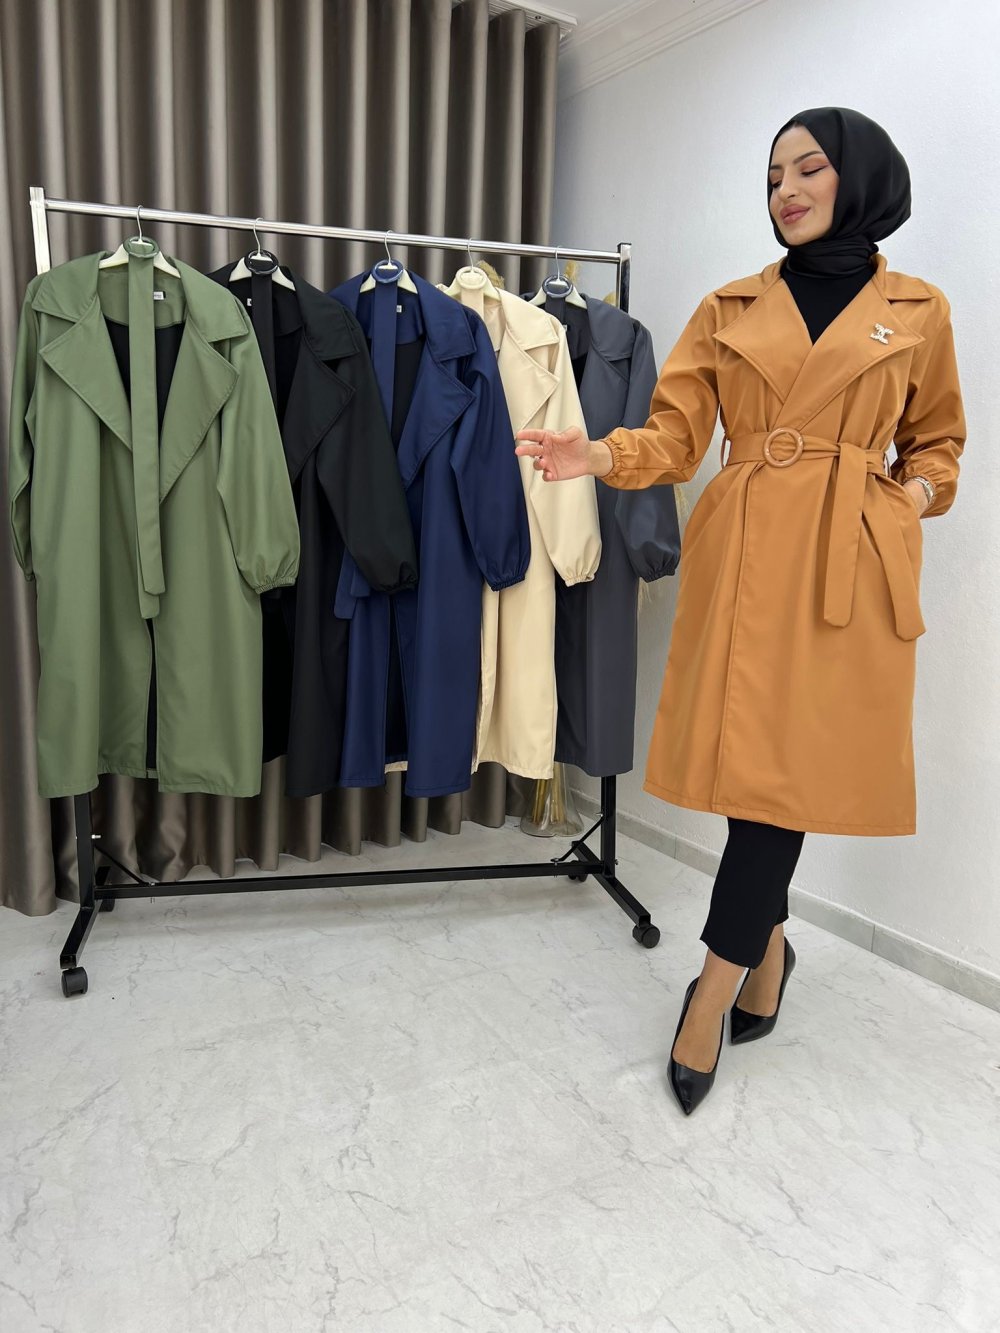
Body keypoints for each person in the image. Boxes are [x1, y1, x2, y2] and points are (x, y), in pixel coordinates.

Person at [515, 107, 966, 1117]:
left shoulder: (918, 309)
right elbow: (675, 439)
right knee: (753, 778)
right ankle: (769, 953)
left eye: (808, 169)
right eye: (772, 177)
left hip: (849, 565)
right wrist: (598, 453)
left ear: (861, 177)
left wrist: (906, 500)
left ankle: (710, 992)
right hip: (748, 554)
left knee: (778, 785)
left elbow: (938, 444)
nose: (786, 191)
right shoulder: (729, 306)